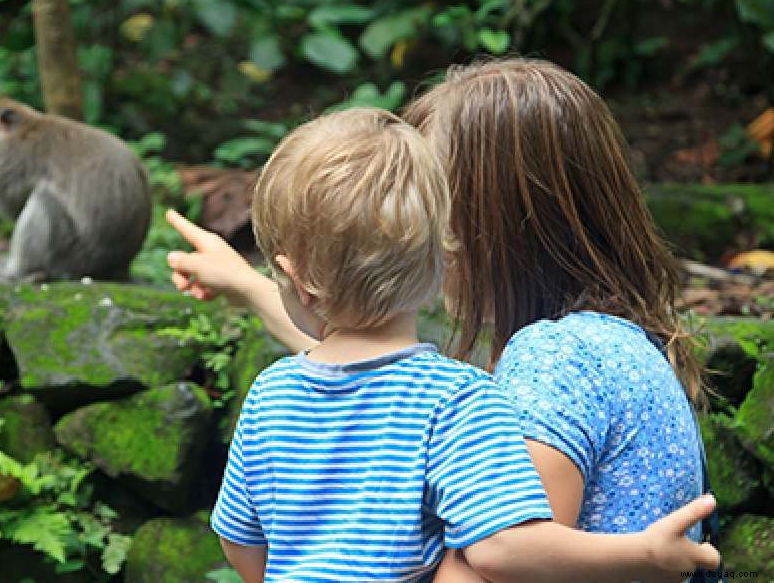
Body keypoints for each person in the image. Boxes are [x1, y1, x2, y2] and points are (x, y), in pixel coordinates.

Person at [205, 106, 718, 583]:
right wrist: (643, 552)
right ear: (443, 258)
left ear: (294, 278)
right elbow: (501, 550)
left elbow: (238, 541)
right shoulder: (457, 400)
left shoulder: (269, 394)